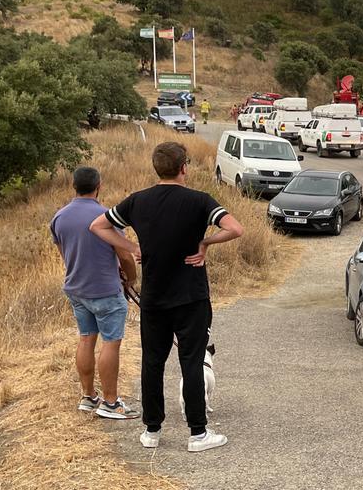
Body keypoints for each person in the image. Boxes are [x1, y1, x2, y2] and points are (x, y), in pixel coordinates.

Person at [90, 141, 244, 453]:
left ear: (156, 168)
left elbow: (98, 226)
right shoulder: (200, 201)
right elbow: (235, 228)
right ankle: (198, 433)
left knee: (152, 362)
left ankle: (152, 431)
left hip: (154, 297)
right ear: (184, 167)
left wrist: (132, 248)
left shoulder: (138, 201)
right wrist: (205, 243)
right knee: (191, 361)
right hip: (191, 296)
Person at [51, 166, 140, 419]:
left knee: (86, 338)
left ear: (73, 186)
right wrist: (130, 278)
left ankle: (88, 396)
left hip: (76, 288)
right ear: (99, 185)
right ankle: (111, 402)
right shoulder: (106, 216)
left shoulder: (59, 217)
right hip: (105, 289)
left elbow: (65, 255)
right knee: (111, 343)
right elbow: (124, 253)